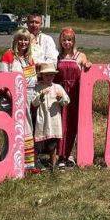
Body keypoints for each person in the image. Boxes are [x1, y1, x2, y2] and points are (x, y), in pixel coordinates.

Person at [0, 28, 37, 169]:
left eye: (26, 39)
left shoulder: (28, 59)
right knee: (12, 130)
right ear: (15, 40)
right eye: (20, 39)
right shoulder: (9, 55)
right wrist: (14, 98)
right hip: (10, 101)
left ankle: (25, 163)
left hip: (25, 100)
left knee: (26, 129)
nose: (23, 42)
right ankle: (7, 161)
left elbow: (32, 80)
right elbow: (2, 80)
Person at [56, 27, 90, 167]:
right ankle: (59, 155)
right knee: (59, 124)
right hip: (59, 94)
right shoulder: (57, 56)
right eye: (64, 40)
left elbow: (86, 65)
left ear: (74, 41)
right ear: (60, 41)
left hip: (75, 94)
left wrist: (88, 64)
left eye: (69, 40)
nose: (67, 42)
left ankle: (69, 154)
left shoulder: (80, 55)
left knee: (72, 124)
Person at [32, 62, 70, 168]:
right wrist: (41, 95)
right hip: (42, 119)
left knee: (52, 145)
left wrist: (60, 99)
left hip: (53, 120)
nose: (49, 77)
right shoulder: (38, 87)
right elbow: (34, 103)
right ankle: (35, 165)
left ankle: (53, 165)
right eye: (46, 75)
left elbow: (67, 101)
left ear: (54, 76)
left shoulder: (58, 87)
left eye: (51, 75)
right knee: (38, 144)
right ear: (42, 75)